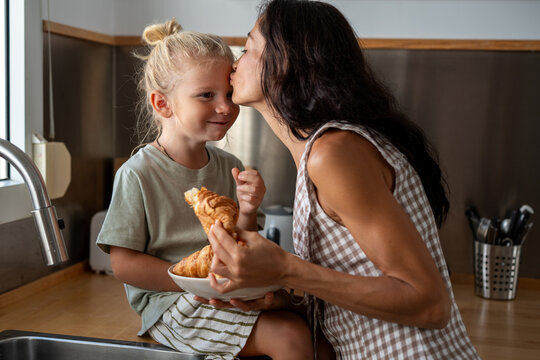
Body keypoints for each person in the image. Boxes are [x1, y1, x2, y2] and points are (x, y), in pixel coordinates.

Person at [204, 1, 481, 359]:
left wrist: (287, 269)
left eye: (247, 48)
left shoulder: (333, 154)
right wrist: (279, 300)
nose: (234, 64)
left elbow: (429, 303)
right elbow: (359, 297)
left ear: (285, 61)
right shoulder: (321, 152)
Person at [97, 18, 312, 360]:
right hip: (169, 304)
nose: (225, 107)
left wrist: (250, 209)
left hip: (224, 292)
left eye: (228, 93)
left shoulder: (229, 164)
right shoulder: (137, 174)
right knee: (290, 337)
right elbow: (123, 264)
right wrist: (192, 279)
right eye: (206, 95)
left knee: (316, 331)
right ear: (162, 104)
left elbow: (238, 243)